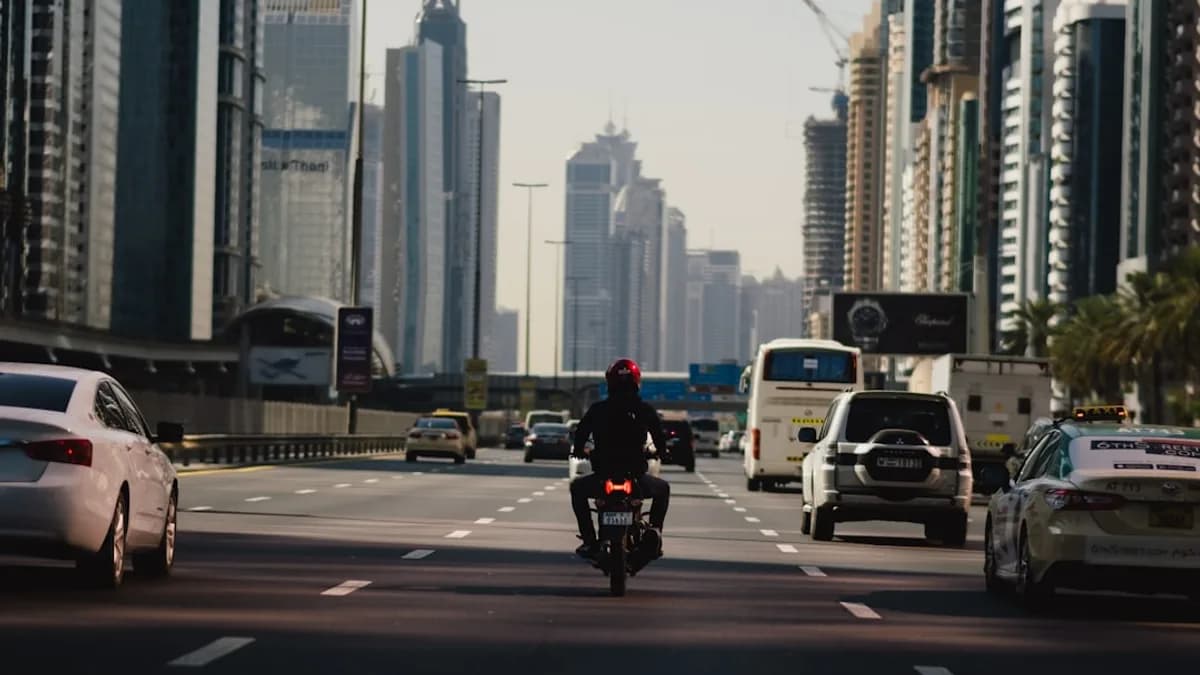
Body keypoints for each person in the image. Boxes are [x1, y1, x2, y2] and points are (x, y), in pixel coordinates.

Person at [570, 358, 671, 561]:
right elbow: (659, 436)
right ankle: (655, 532)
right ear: (636, 381)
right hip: (635, 476)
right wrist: (662, 451)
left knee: (577, 488)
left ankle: (589, 539)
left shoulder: (598, 409)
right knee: (663, 489)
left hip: (603, 475)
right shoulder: (644, 409)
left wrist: (580, 450)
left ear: (610, 383)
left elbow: (581, 433)